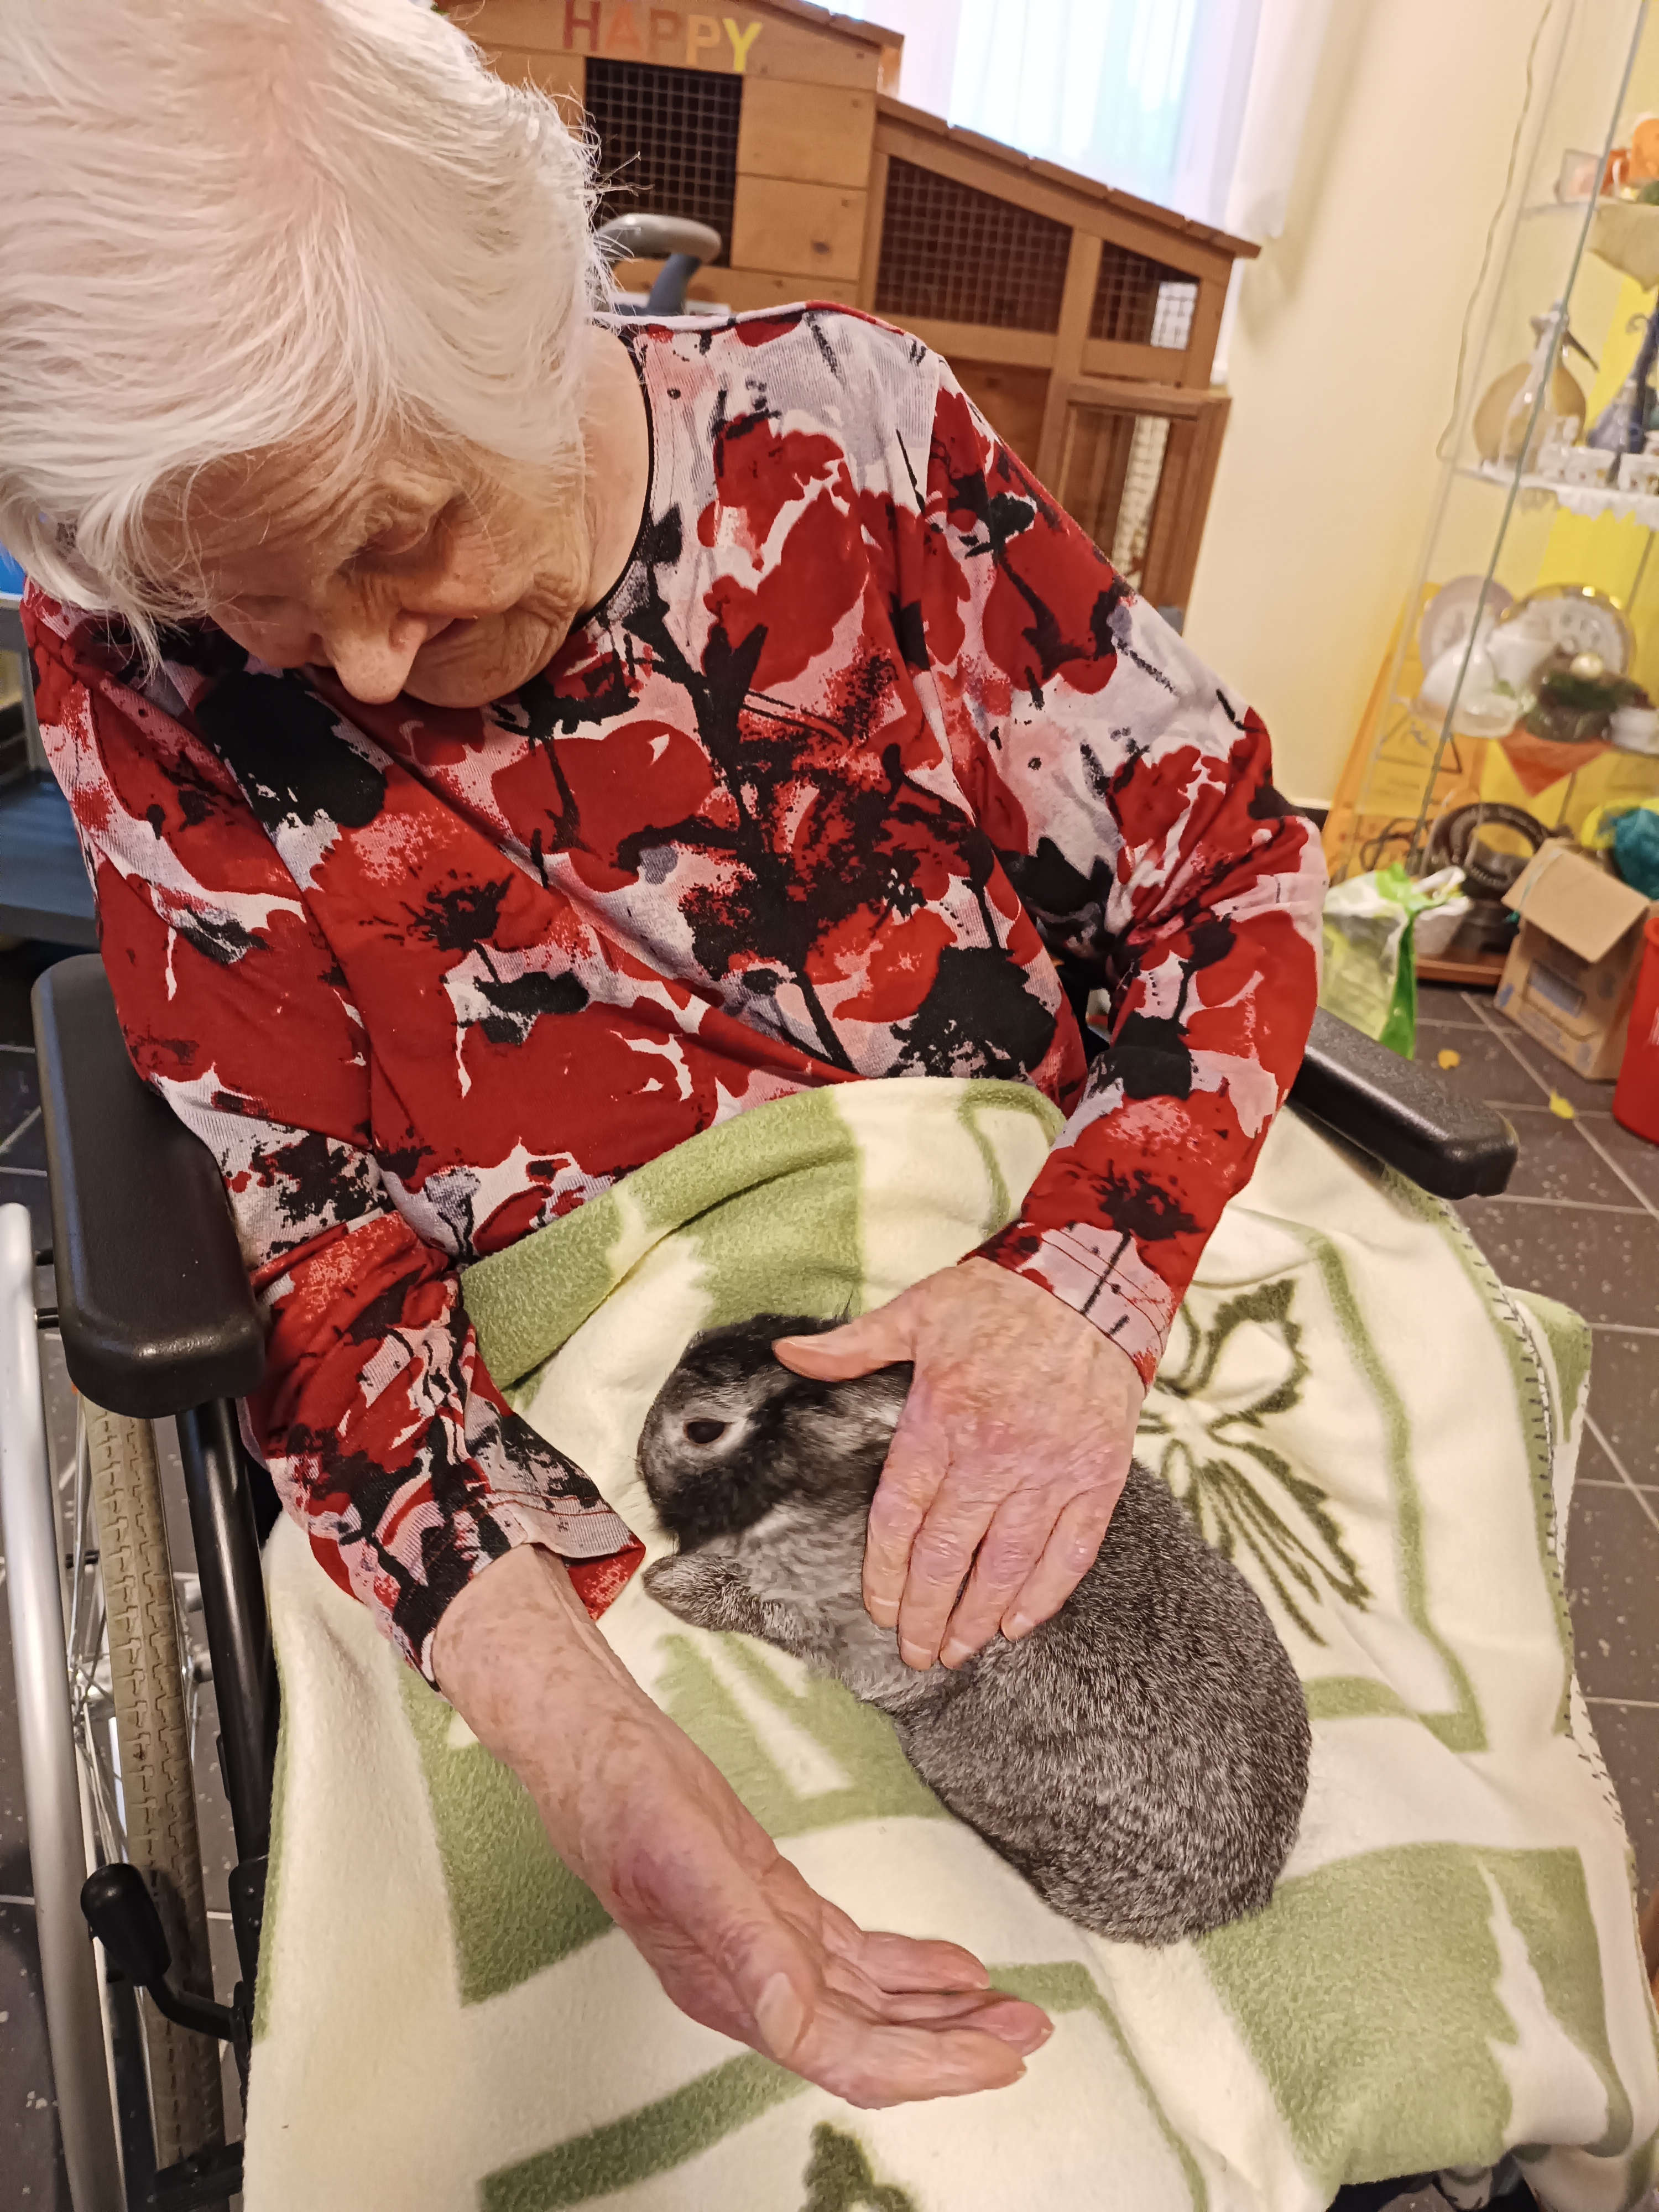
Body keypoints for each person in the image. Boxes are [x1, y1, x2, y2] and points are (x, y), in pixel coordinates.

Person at [0, 0, 1324, 2111]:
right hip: (578, 1413)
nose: (360, 670)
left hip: (1046, 1252)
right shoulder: (133, 656)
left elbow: (1225, 864)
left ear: (542, 323)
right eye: (267, 604)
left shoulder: (851, 438)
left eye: (401, 535)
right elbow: (304, 1236)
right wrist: (600, 1760)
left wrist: (1083, 1288)